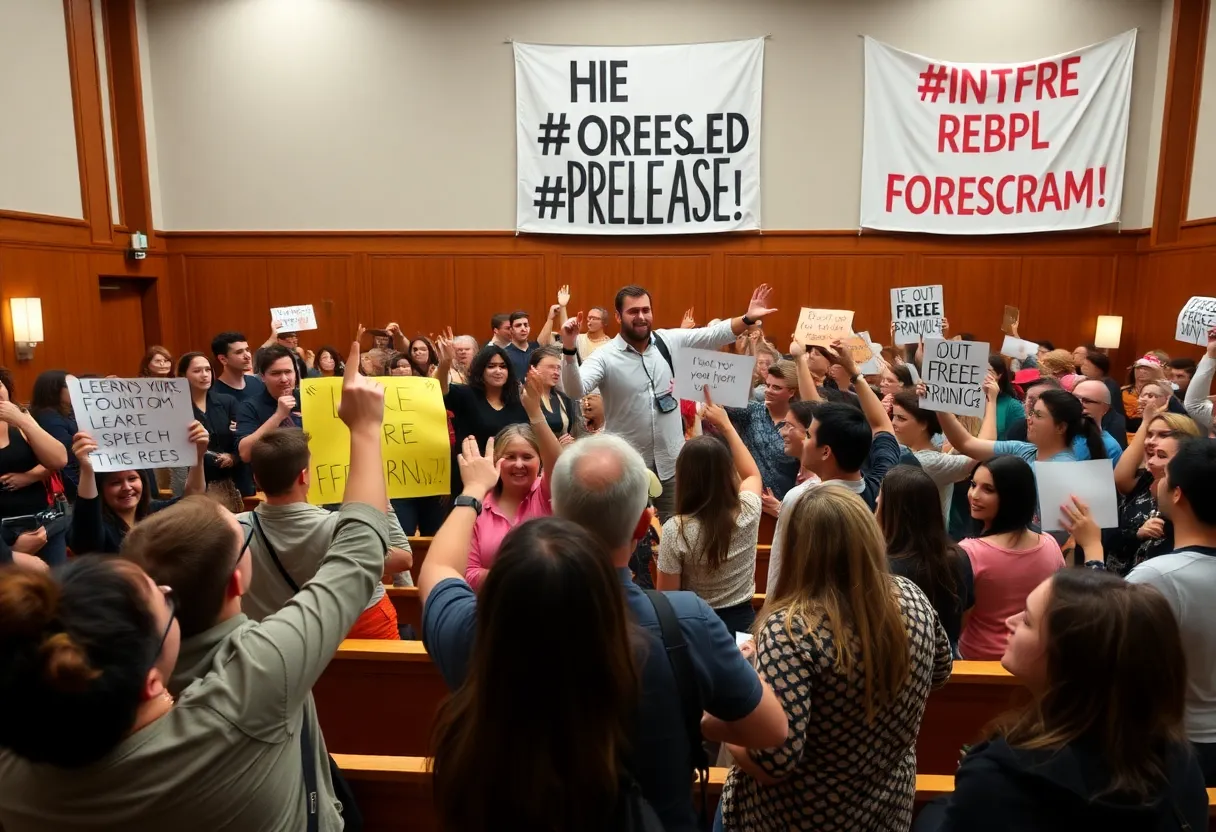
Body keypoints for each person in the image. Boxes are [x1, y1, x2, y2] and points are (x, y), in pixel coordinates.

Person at [0, 343, 392, 831]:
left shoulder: (15, 772)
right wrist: (367, 430)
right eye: (154, 593)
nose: (164, 592)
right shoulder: (256, 681)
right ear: (151, 681)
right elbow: (358, 553)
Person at [420, 432, 789, 832]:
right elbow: (772, 729)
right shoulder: (685, 621)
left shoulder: (490, 625)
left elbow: (437, 570)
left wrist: (473, 491)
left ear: (556, 516)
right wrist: (694, 716)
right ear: (643, 524)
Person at [720, 486, 953, 831]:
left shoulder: (791, 630)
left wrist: (730, 725)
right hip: (888, 811)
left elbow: (773, 762)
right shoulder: (912, 596)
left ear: (799, 549)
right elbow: (941, 670)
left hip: (800, 817)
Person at [915, 568, 1207, 831]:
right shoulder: (1179, 765)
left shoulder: (998, 780)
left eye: (1027, 620)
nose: (1009, 621)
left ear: (1069, 660)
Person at [559, 284, 779, 521]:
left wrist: (746, 319)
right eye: (633, 311)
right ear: (618, 316)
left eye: (646, 310)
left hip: (672, 467)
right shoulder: (605, 356)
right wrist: (569, 349)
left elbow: (713, 334)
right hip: (628, 469)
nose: (641, 317)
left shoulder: (669, 340)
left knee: (676, 531)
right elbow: (574, 389)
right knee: (632, 534)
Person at [238, 427, 413, 636]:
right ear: (304, 476)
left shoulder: (236, 528)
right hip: (357, 632)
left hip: (282, 640)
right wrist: (381, 500)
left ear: (256, 479)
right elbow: (402, 558)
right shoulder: (342, 527)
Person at [766, 340, 901, 595]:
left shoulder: (801, 499)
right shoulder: (882, 487)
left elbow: (781, 571)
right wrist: (855, 373)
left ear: (826, 451)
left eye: (809, 435)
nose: (804, 441)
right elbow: (882, 426)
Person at [1121, 437, 1216, 785]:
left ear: (1177, 494)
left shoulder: (1157, 577)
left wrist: (1093, 554)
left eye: (1165, 477)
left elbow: (1107, 652)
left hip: (1176, 743)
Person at [658, 390, 763, 635]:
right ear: (727, 473)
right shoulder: (748, 509)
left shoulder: (677, 529)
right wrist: (726, 425)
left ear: (683, 478)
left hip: (696, 625)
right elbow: (751, 474)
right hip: (743, 622)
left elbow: (668, 599)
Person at [957, 456, 1064, 660]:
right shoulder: (1049, 544)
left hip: (977, 664)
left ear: (1012, 497)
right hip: (1033, 659)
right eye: (973, 485)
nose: (974, 495)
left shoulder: (968, 552)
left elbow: (955, 625)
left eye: (988, 489)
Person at [465, 370, 563, 590]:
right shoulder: (478, 504)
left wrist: (535, 412)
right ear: (496, 461)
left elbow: (559, 465)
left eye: (527, 457)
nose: (519, 464)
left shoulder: (545, 493)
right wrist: (523, 576)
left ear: (540, 461)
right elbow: (469, 574)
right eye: (510, 457)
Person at [69, 423, 210, 555]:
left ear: (143, 482)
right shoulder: (96, 525)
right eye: (115, 483)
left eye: (132, 479)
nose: (126, 487)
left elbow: (193, 498)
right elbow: (87, 542)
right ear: (101, 489)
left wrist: (198, 456)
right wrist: (87, 470)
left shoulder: (155, 512)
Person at [878, 465, 973, 649]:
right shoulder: (958, 557)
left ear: (893, 512)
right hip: (947, 653)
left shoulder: (884, 567)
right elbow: (965, 613)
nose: (876, 502)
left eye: (880, 500)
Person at [1110, 408, 1202, 574]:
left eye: (1163, 435)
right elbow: (1120, 478)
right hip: (1119, 574)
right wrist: (1137, 534)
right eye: (1149, 434)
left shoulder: (1192, 488)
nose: (1150, 441)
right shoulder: (1146, 478)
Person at [436, 337, 527, 495]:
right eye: (491, 366)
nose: (498, 371)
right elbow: (440, 390)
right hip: (472, 479)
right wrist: (445, 364)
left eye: (503, 366)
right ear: (481, 370)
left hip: (511, 477)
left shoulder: (517, 401)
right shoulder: (465, 395)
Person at [0, 375, 70, 566]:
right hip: (3, 535)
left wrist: (23, 421)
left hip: (41, 525)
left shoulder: (21, 422)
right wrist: (8, 553)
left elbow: (59, 459)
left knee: (55, 582)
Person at [938, 388, 1105, 465]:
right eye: (1031, 413)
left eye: (1038, 415)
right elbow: (966, 443)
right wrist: (937, 403)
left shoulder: (1064, 469)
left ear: (1061, 427)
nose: (1029, 420)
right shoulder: (1024, 450)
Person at [890, 391, 976, 521]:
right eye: (893, 416)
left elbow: (980, 453)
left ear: (924, 424)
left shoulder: (929, 461)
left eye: (901, 418)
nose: (893, 423)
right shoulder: (901, 449)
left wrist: (991, 402)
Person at [724, 359, 800, 503]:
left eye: (776, 387)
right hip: (745, 498)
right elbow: (720, 403)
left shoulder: (799, 424)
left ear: (791, 392)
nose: (768, 390)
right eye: (767, 385)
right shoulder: (752, 411)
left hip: (782, 504)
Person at [176, 352, 238, 488]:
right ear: (183, 375)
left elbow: (239, 436)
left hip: (227, 478)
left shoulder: (227, 402)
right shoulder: (175, 407)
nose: (204, 375)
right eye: (197, 371)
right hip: (191, 478)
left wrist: (233, 456)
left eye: (208, 370)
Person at [235, 345, 301, 464]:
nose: (284, 379)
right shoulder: (249, 406)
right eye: (276, 373)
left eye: (288, 372)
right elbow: (245, 454)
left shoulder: (307, 398)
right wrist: (279, 415)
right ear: (263, 377)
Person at [28, 370, 80, 500]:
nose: (79, 390)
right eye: (72, 386)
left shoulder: (67, 412)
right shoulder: (49, 418)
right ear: (55, 390)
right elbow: (67, 457)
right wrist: (78, 489)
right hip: (71, 485)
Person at [528, 345, 582, 440]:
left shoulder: (564, 399)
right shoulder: (524, 398)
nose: (556, 372)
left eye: (558, 368)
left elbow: (574, 432)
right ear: (533, 368)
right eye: (551, 367)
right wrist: (557, 445)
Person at [1069, 379, 1125, 461]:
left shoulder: (1110, 447)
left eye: (1087, 401)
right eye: (1074, 399)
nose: (1079, 404)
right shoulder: (1056, 434)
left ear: (1105, 408)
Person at [210, 332, 267, 405]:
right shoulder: (215, 394)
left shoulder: (257, 382)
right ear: (223, 359)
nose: (248, 356)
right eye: (239, 352)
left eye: (247, 350)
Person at [1122, 353, 1168, 432]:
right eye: (1139, 368)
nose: (1142, 371)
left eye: (1147, 368)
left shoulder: (1164, 393)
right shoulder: (1123, 392)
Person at [503, 310, 554, 379]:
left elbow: (543, 339)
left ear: (529, 328)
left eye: (525, 325)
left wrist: (550, 318)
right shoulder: (505, 354)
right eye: (518, 325)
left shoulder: (535, 349)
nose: (523, 328)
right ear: (511, 330)